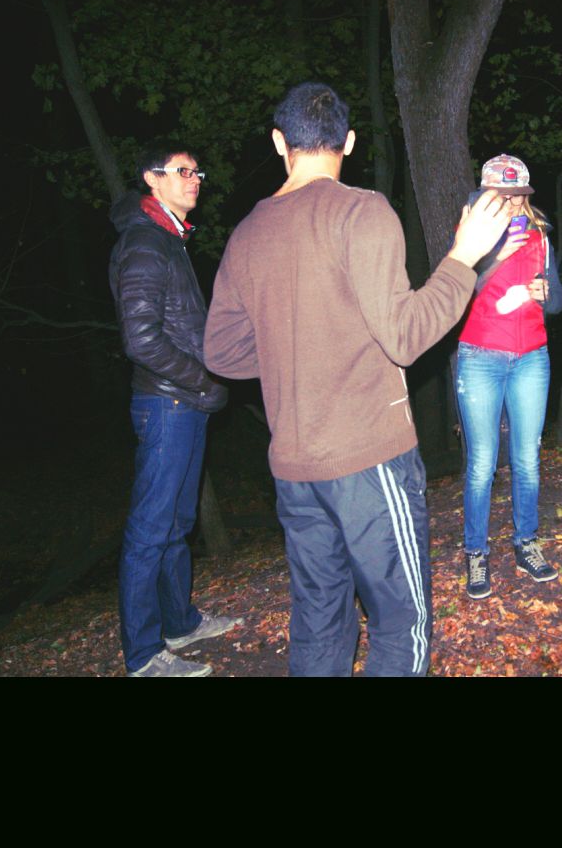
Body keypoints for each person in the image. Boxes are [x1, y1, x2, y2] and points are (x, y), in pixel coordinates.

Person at [203, 82, 509, 677]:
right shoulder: (361, 211)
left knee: (320, 622)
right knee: (400, 624)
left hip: (295, 471)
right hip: (369, 462)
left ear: (279, 142)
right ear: (347, 141)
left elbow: (222, 351)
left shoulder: (247, 234)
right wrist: (463, 259)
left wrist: (298, 347)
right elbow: (405, 335)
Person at [109, 145, 242, 677]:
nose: (195, 180)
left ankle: (180, 622)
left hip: (183, 402)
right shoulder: (145, 242)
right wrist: (202, 380)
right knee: (150, 529)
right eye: (183, 171)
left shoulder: (168, 238)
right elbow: (141, 339)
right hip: (167, 403)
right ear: (152, 178)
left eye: (197, 172)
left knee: (177, 522)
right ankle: (143, 655)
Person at [456, 154, 562, 600]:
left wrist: (544, 293)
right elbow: (460, 289)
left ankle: (526, 542)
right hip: (480, 356)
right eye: (504, 196)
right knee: (483, 463)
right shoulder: (471, 236)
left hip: (531, 358)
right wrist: (499, 254)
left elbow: (557, 301)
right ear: (487, 196)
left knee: (527, 459)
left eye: (520, 195)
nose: (514, 203)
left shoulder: (540, 236)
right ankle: (475, 551)